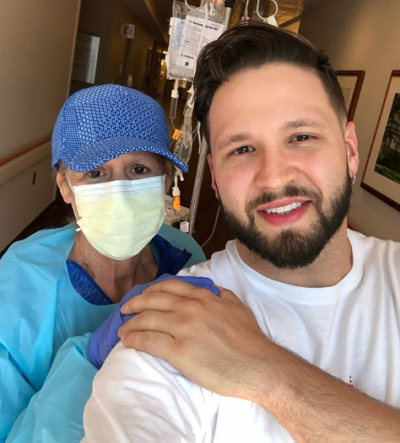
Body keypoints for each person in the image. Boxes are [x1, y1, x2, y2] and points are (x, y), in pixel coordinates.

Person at [81, 24, 400, 443]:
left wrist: (268, 371)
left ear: (350, 150)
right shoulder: (172, 336)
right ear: (214, 176)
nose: (273, 177)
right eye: (242, 149)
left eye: (301, 137)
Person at [0, 84, 207, 442]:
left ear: (166, 180)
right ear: (65, 186)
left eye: (139, 170)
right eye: (96, 174)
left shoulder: (187, 259)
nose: (120, 194)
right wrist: (89, 361)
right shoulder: (21, 286)